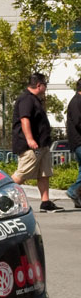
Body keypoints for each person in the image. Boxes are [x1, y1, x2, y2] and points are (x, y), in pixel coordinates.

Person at [11, 73, 64, 213]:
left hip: (42, 144)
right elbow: (24, 119)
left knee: (44, 173)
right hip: (31, 146)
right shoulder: (26, 99)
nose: (46, 88)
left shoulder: (35, 99)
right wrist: (30, 139)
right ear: (39, 85)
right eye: (45, 85)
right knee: (22, 174)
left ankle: (45, 203)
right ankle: (0, 195)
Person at [66, 78, 81, 208]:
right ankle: (73, 191)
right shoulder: (77, 102)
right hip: (79, 142)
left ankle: (77, 196)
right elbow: (78, 122)